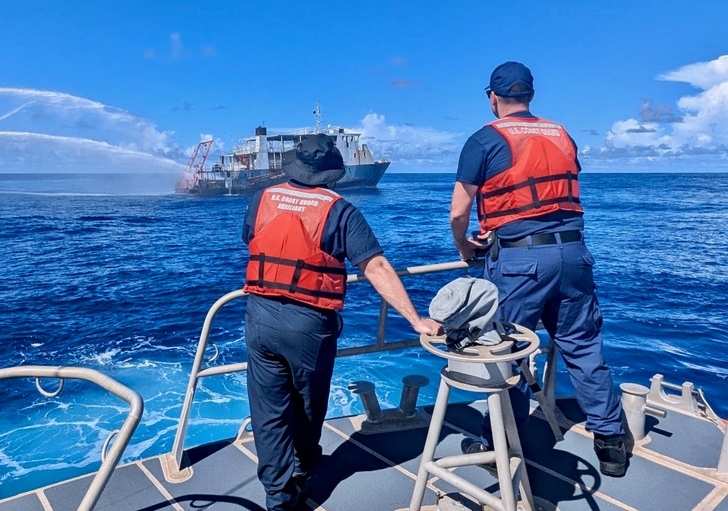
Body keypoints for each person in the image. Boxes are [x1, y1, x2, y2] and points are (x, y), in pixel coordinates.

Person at [243, 133, 442, 510]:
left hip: (260, 316)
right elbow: (376, 266)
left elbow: (252, 239)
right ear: (332, 171)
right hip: (308, 322)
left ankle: (277, 497)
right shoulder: (339, 210)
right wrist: (416, 319)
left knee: (268, 412)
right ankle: (303, 467)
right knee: (307, 404)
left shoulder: (262, 198)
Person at [448, 61, 627, 477]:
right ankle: (611, 443)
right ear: (530, 94)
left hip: (521, 260)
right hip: (574, 254)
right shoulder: (562, 134)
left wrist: (464, 247)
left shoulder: (484, 139)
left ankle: (500, 444)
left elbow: (460, 211)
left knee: (507, 350)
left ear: (492, 98)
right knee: (582, 344)